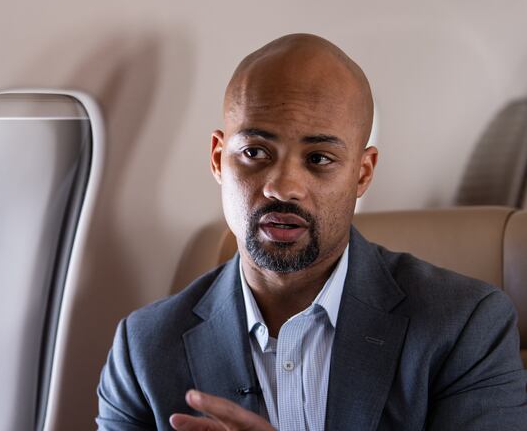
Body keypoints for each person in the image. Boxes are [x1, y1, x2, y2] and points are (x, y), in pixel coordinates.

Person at [96, 33, 526, 430]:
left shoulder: (464, 326)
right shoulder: (144, 350)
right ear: (217, 159)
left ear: (362, 174)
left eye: (319, 158)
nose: (283, 187)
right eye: (255, 152)